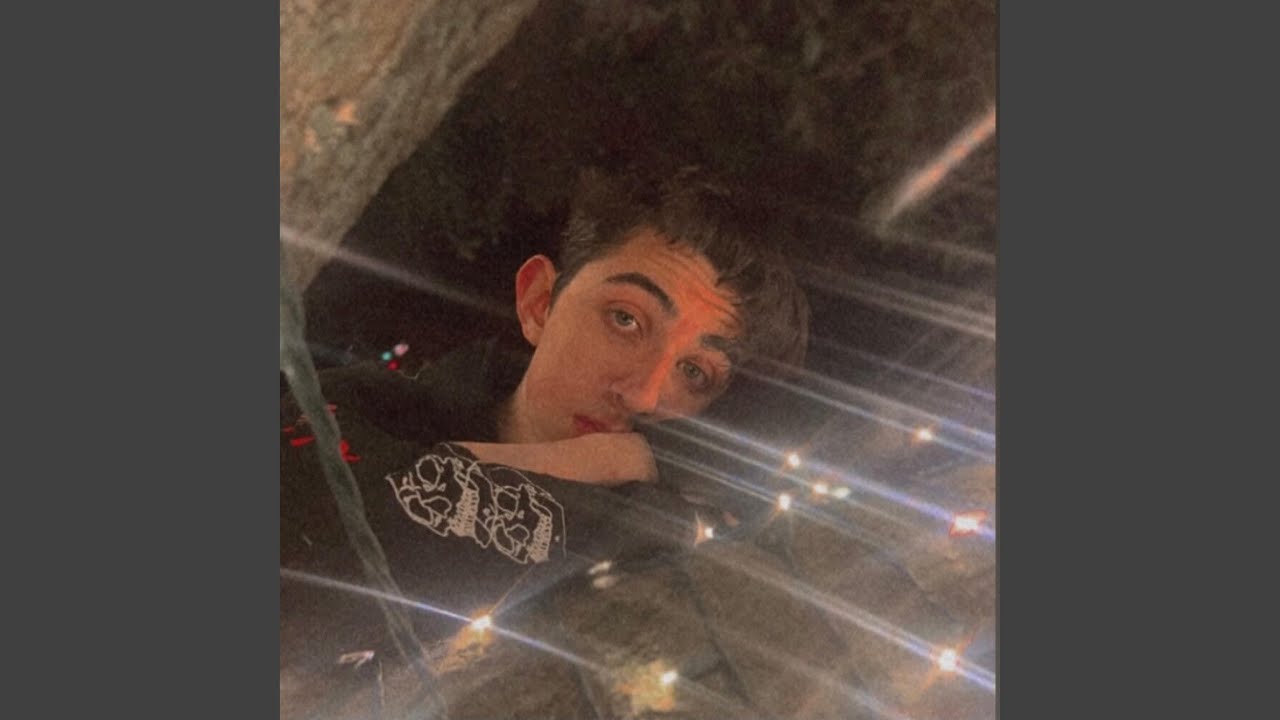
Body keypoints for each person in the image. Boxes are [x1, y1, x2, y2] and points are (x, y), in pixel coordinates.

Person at [279, 167, 810, 713]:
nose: (644, 394)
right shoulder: (358, 409)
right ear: (539, 303)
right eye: (626, 319)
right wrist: (568, 464)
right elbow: (306, 572)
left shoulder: (682, 540)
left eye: (694, 372)